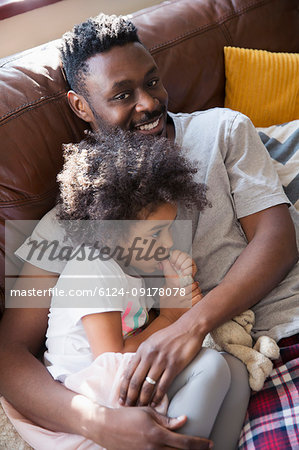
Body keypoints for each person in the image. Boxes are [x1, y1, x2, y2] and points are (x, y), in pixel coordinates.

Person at [0, 13, 298, 450]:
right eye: (122, 94)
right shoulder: (72, 220)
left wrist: (188, 326)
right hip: (190, 381)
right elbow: (9, 352)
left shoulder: (222, 130)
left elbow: (278, 241)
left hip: (278, 338)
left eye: (152, 82)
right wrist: (96, 423)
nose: (148, 103)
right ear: (81, 106)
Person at [2, 129, 250, 449]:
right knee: (211, 366)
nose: (169, 242)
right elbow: (113, 362)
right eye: (157, 233)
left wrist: (178, 302)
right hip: (90, 403)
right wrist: (170, 317)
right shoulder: (91, 270)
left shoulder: (128, 274)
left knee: (234, 369)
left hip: (117, 391)